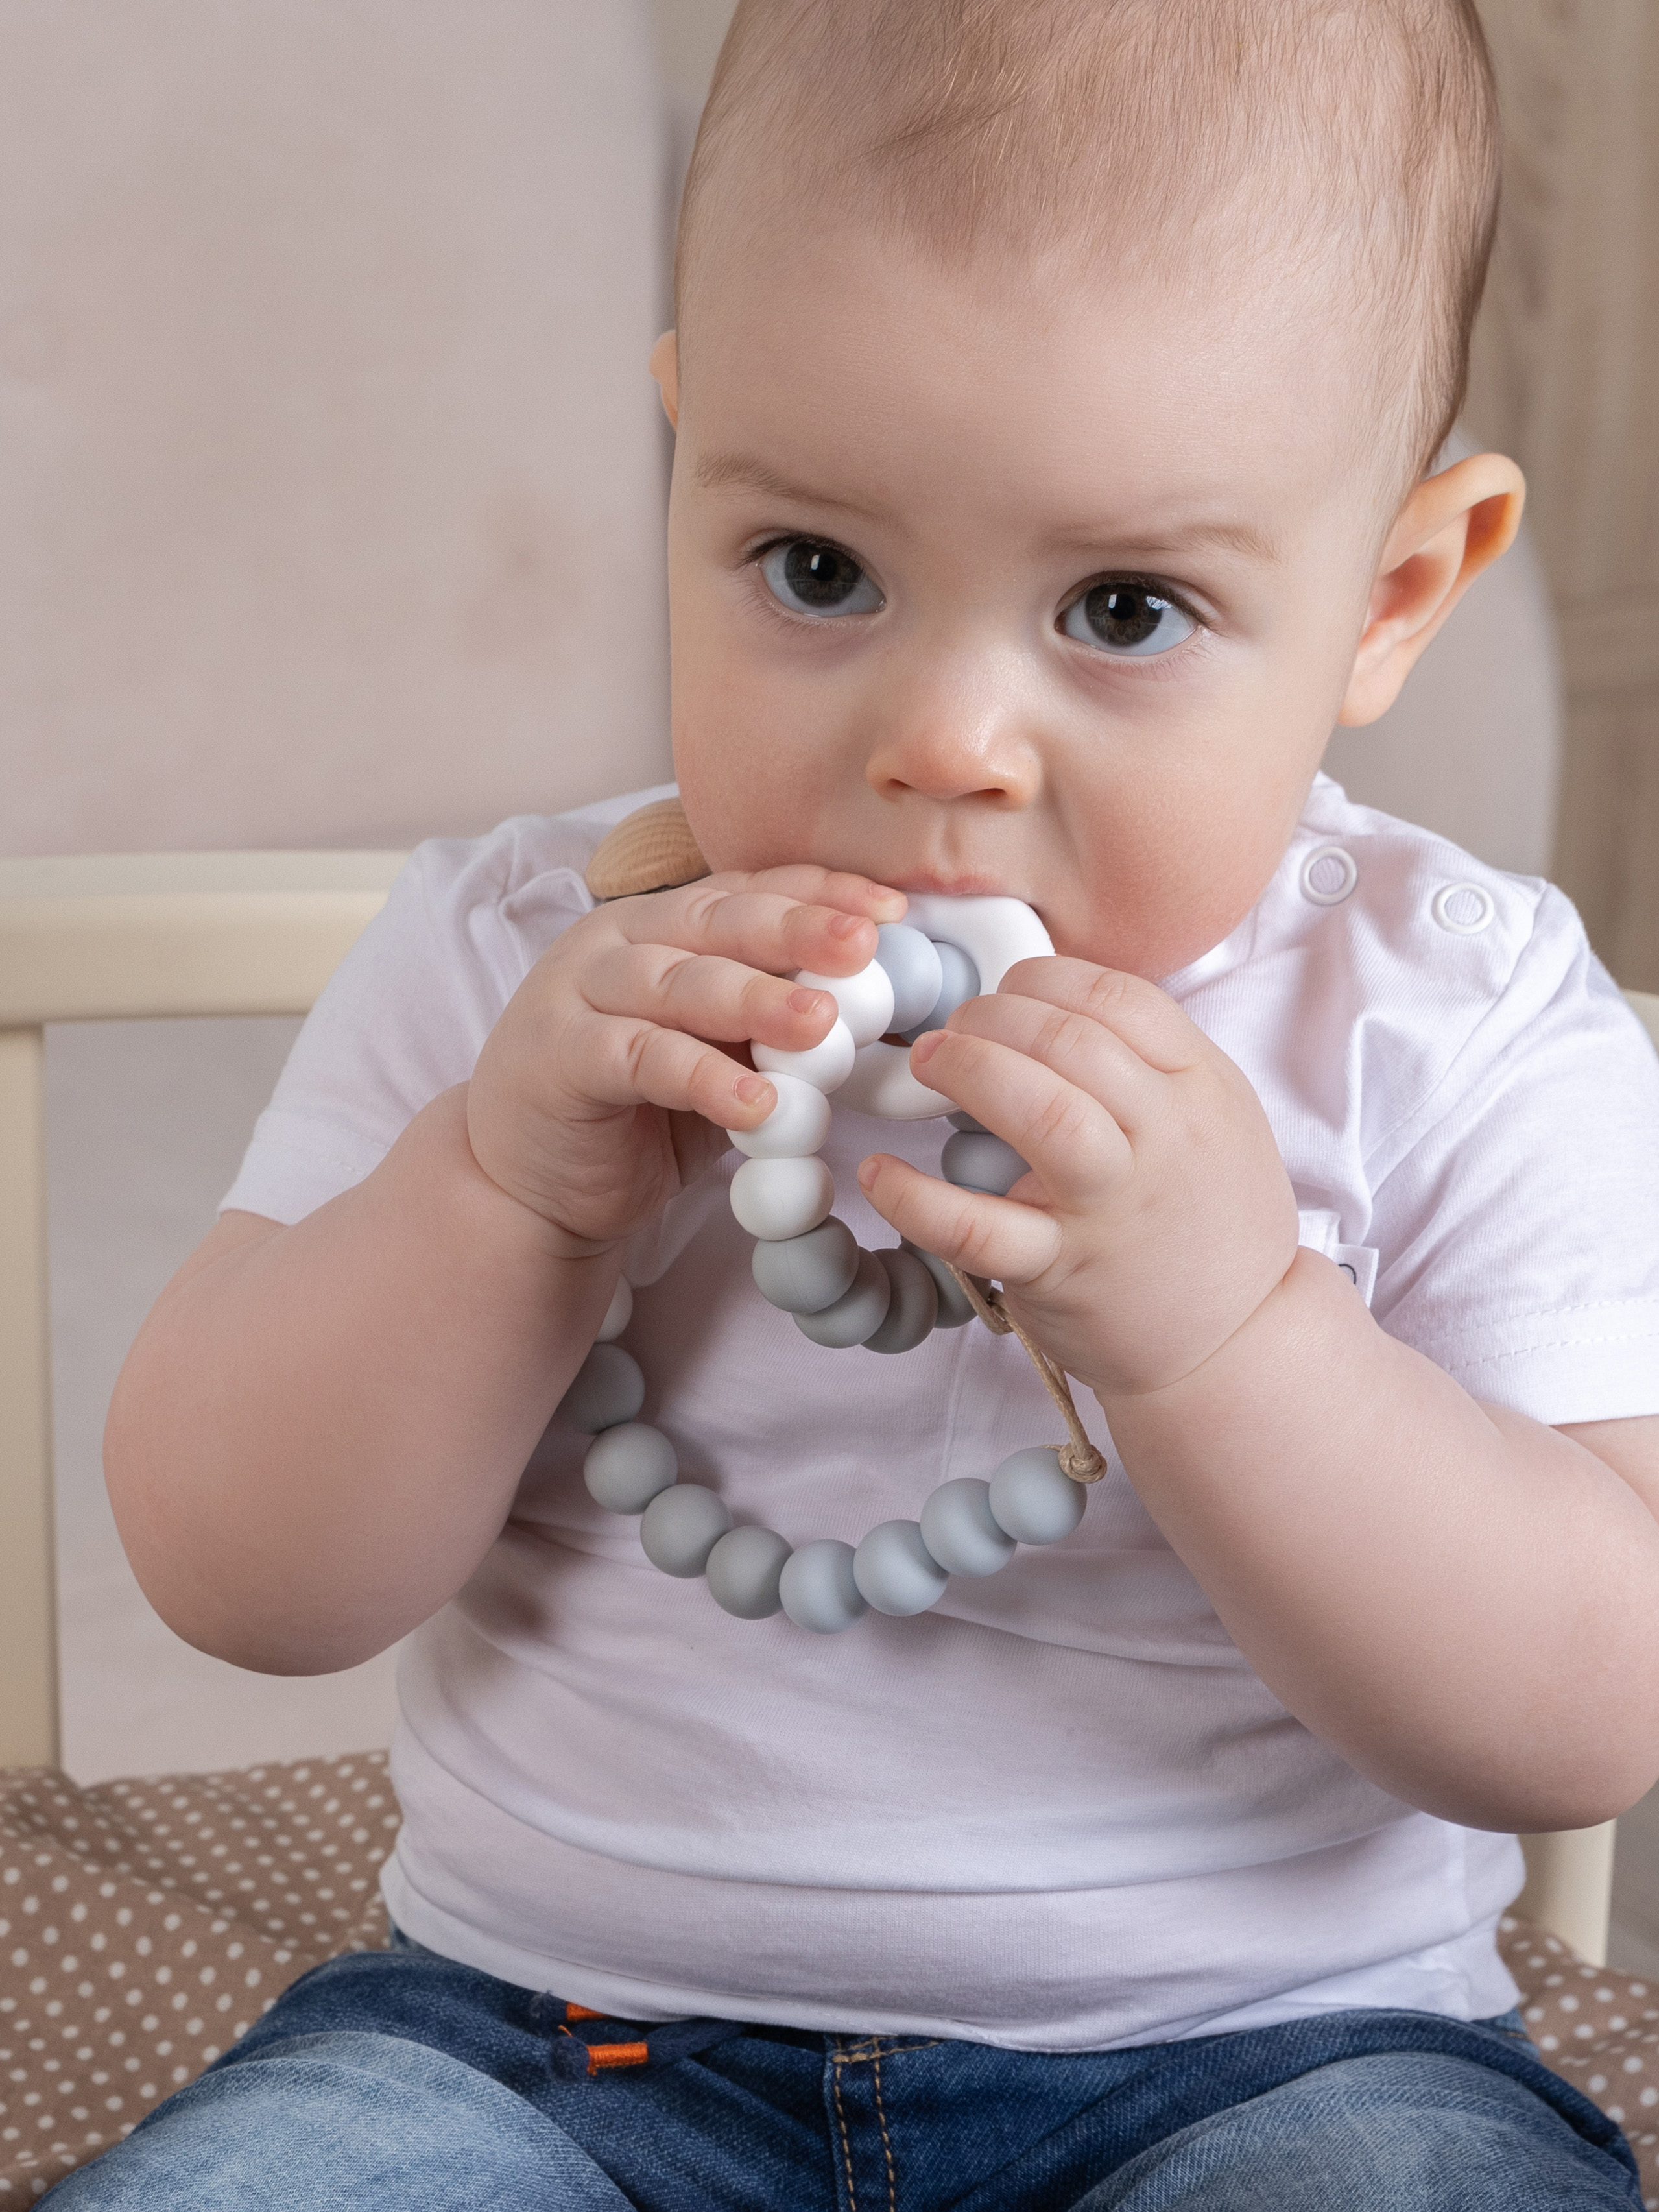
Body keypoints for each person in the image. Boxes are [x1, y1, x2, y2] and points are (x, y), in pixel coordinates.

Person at [63, 1, 1659, 2204]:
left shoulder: (1449, 1009)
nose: (946, 740)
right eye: (818, 569)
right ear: (686, 456)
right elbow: (235, 1570)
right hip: (545, 2048)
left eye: (1124, 607)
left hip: (1271, 2062)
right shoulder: (525, 958)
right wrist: (505, 1197)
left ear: (1388, 597)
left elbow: (1588, 1705)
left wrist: (1233, 1332)